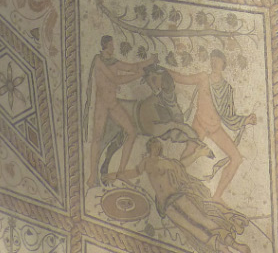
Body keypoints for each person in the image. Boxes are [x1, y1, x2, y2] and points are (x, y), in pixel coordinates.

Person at [123, 137, 250, 253]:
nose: (155, 149)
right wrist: (117, 174)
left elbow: (181, 165)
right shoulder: (145, 163)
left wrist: (197, 154)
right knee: (192, 229)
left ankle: (236, 245)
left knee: (203, 220)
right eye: (153, 146)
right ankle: (224, 249)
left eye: (157, 146)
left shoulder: (164, 162)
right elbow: (134, 172)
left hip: (178, 197)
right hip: (166, 205)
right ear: (149, 148)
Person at [168, 50, 256, 200]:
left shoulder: (227, 89)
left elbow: (230, 116)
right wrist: (162, 70)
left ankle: (217, 197)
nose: (214, 63)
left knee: (236, 158)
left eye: (218, 60)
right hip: (199, 125)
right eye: (212, 59)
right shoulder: (203, 78)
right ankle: (173, 188)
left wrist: (245, 120)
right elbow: (182, 78)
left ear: (223, 64)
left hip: (215, 128)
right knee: (186, 158)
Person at [83, 34, 155, 187]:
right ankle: (92, 176)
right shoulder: (99, 61)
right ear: (105, 46)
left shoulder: (114, 62)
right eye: (111, 45)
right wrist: (138, 75)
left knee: (132, 132)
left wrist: (150, 61)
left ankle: (121, 172)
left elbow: (132, 67)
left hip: (113, 104)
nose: (113, 48)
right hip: (102, 106)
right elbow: (116, 79)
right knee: (97, 138)